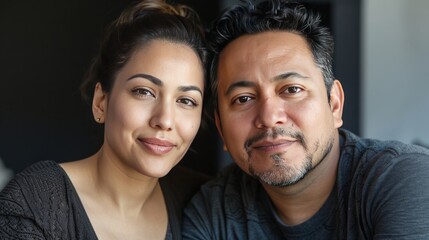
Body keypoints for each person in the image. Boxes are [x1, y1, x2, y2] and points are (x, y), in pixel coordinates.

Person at [183, 0, 429, 239]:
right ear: (220, 128)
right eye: (244, 98)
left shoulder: (404, 180)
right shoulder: (213, 211)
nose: (269, 118)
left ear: (334, 104)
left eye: (292, 90)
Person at [0, 0, 209, 239]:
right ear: (101, 101)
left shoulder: (206, 201)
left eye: (186, 101)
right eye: (144, 91)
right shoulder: (33, 204)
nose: (165, 120)